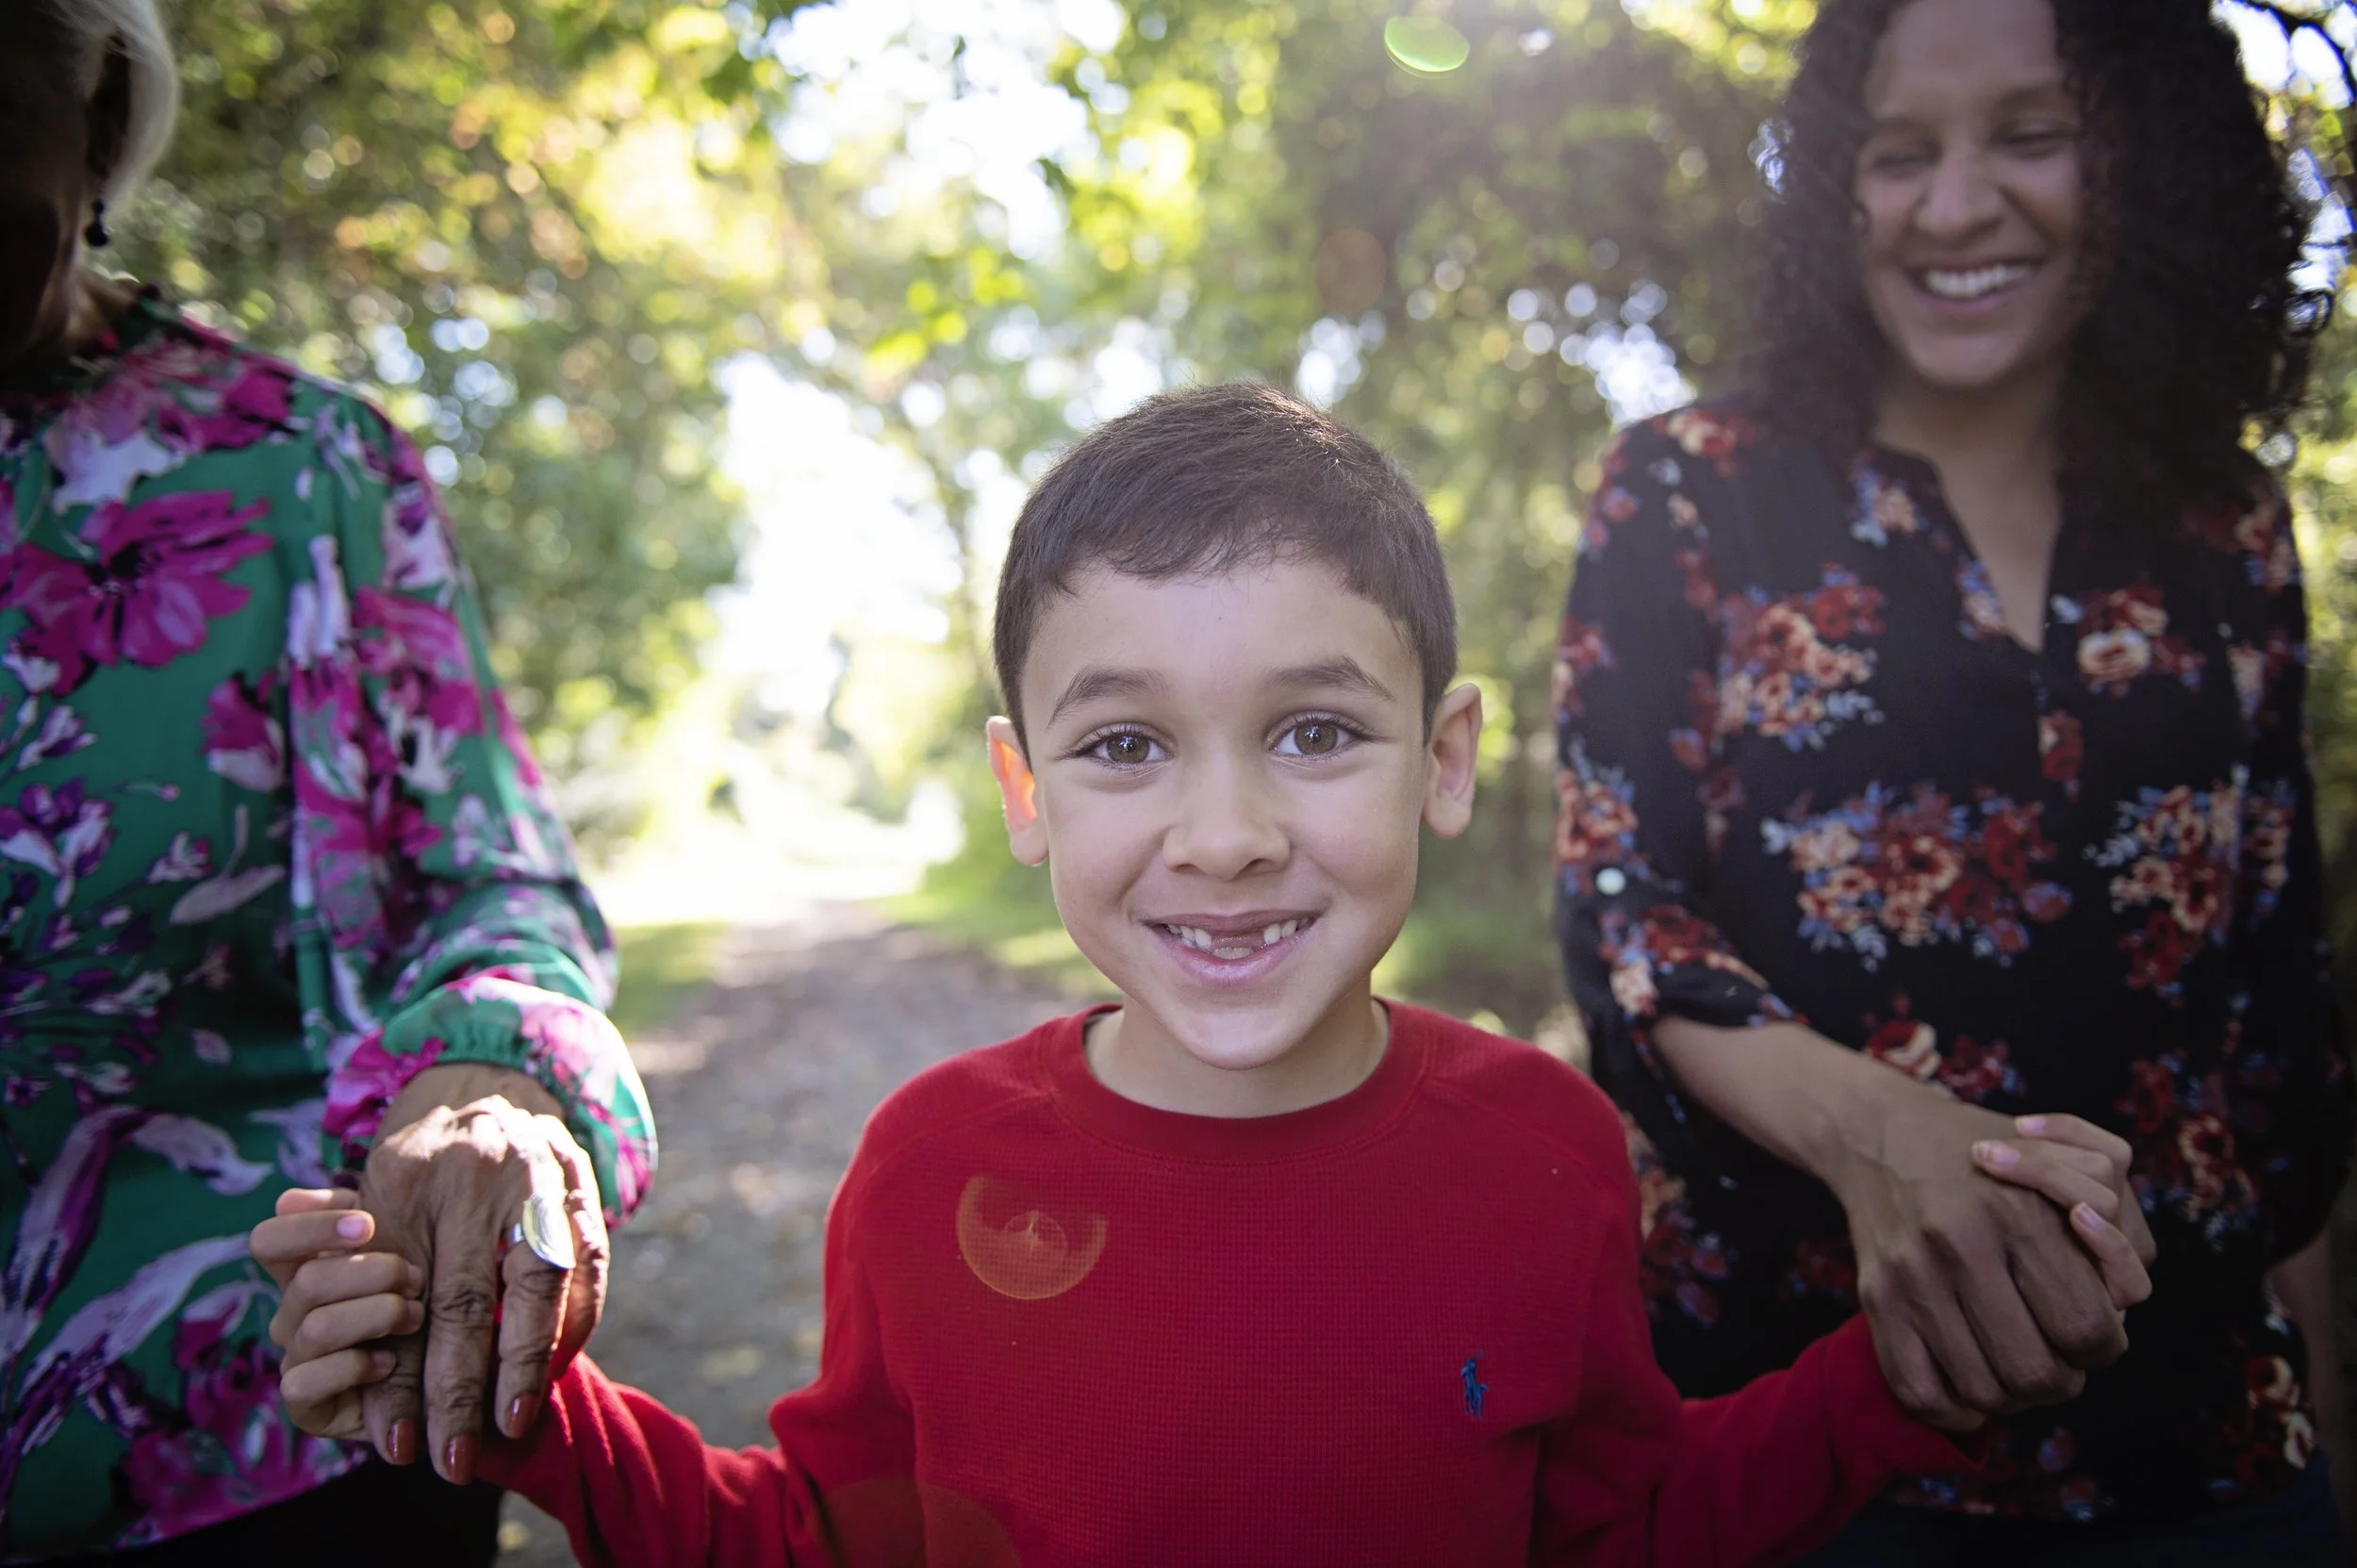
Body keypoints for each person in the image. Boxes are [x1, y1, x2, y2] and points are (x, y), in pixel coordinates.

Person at [257, 383, 2142, 1567]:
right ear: (1019, 789)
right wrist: (531, 1424)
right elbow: (827, 1538)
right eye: (1125, 746)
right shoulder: (925, 1166)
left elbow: (1631, 1524)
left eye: (1314, 733)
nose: (1223, 834)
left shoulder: (1548, 1151)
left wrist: (1904, 1378)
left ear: (1449, 757)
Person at [1553, 0, 2351, 1560]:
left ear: (2149, 162)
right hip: (1787, 1442)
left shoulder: (2232, 525)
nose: (1957, 203)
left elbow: (2273, 1012)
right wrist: (1881, 1136)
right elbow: (1620, 910)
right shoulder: (1687, 491)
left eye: (2032, 136)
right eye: (1899, 153)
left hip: (2208, 1449)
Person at [0, 0, 655, 1559]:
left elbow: (491, 873)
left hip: (268, 1424)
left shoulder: (301, 472)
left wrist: (485, 1082)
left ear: (93, 121)